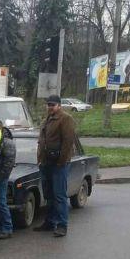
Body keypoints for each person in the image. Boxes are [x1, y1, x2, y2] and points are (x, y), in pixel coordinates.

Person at [35, 94, 77, 237]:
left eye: (52, 105)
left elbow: (68, 141)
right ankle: (50, 221)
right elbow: (41, 141)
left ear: (59, 105)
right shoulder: (46, 119)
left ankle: (62, 225)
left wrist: (61, 161)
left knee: (59, 195)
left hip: (59, 164)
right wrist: (39, 159)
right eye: (48, 104)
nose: (50, 107)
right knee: (49, 194)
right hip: (45, 162)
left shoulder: (66, 119)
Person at [0, 120, 16, 239]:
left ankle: (7, 228)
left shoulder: (7, 142)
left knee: (1, 202)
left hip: (1, 177)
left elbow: (9, 163)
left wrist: (0, 176)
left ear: (0, 129)